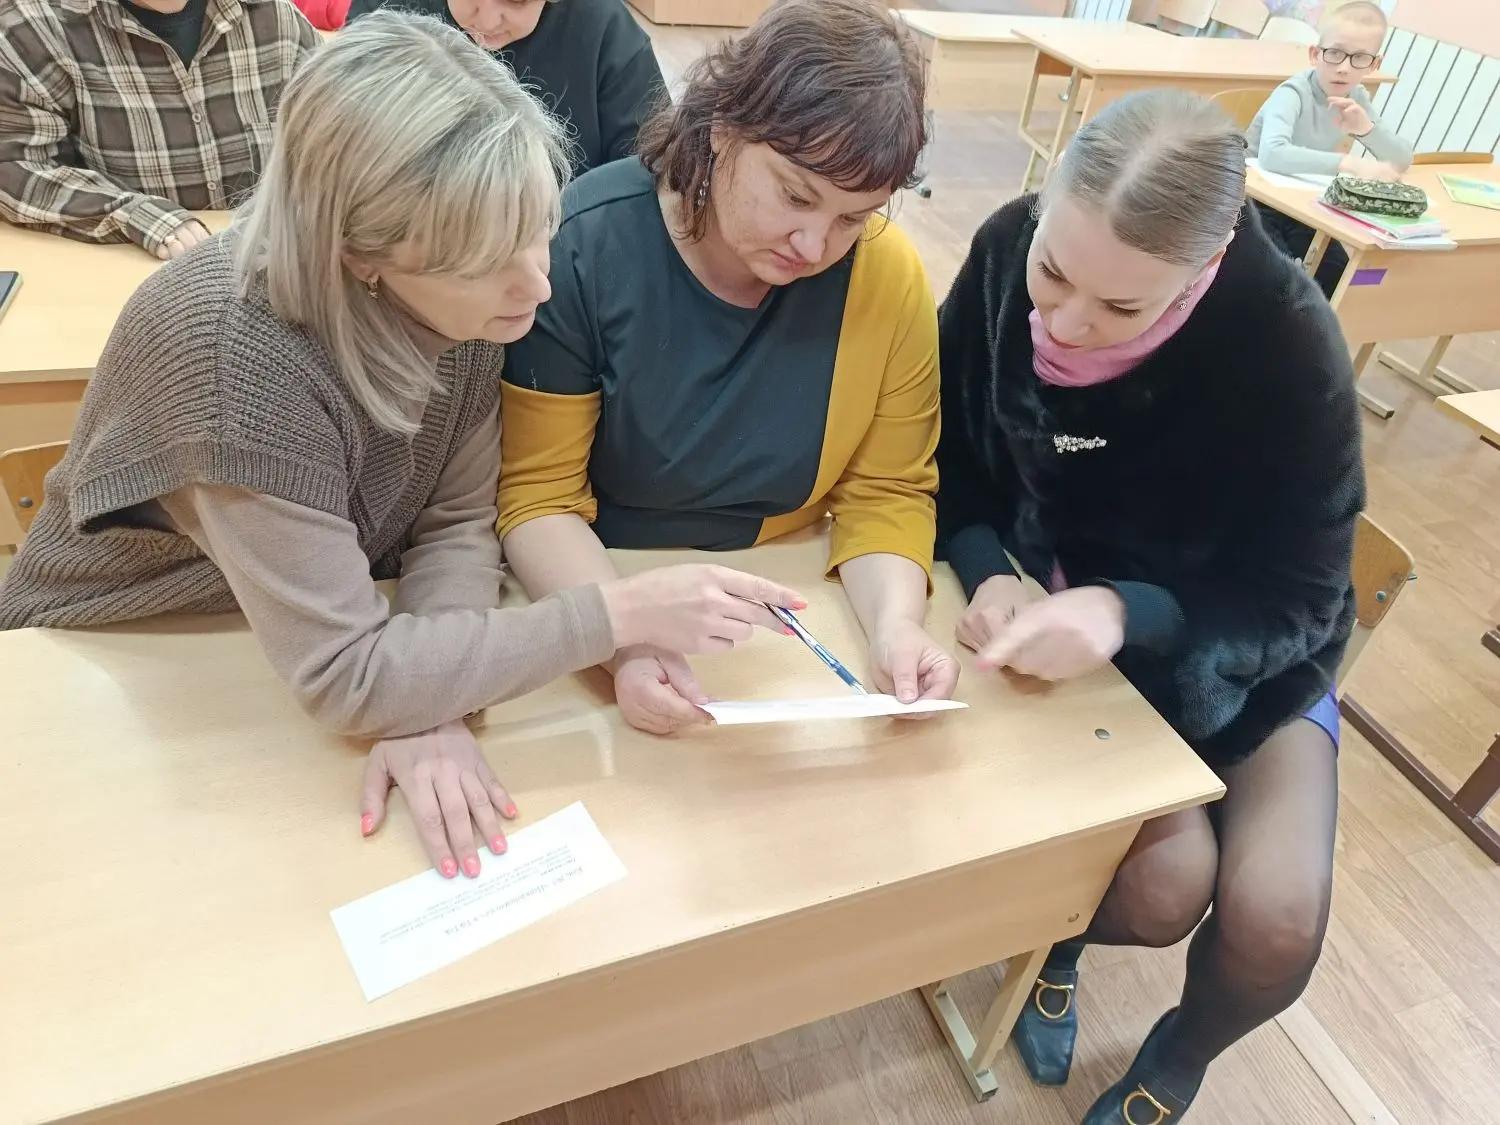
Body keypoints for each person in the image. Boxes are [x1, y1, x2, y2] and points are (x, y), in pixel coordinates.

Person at [0, 12, 805, 879]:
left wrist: (430, 692)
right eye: (490, 259)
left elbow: (452, 522)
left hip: (323, 623)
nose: (537, 283)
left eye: (538, 228)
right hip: (125, 654)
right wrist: (617, 615)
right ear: (361, 256)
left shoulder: (470, 301)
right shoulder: (235, 363)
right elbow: (344, 674)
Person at [936, 89, 1363, 1123]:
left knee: (1275, 919)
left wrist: (1128, 613)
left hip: (1245, 653)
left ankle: (1179, 1058)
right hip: (1054, 623)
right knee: (1158, 890)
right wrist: (989, 568)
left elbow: (1299, 597)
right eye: (1053, 270)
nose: (1064, 323)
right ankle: (1058, 946)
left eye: (1122, 308)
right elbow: (939, 458)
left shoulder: (1285, 343)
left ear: (1207, 262)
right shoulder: (1002, 252)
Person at [496, 0, 958, 736]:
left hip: (789, 603)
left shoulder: (886, 275)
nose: (814, 245)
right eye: (796, 195)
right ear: (720, 128)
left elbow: (886, 493)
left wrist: (895, 626)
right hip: (601, 584)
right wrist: (626, 645)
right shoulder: (585, 246)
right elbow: (537, 500)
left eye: (853, 217)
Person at [0, 0, 320, 260]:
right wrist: (136, 215)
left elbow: (336, 134)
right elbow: (15, 167)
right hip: (129, 272)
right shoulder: (32, 26)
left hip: (278, 261)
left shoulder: (274, 14)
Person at [345, 0, 664, 176]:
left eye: (516, 1)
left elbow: (647, 174)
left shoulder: (607, 36)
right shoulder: (385, 10)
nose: (486, 21)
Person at [1246, 0, 1413, 297]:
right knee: (1278, 278)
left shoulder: (1356, 98)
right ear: (1315, 54)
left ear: (1374, 64)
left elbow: (1401, 160)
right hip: (1254, 202)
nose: (1344, 68)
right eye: (1335, 53)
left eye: (1359, 58)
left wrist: (1367, 129)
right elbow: (1272, 154)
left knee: (1338, 275)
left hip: (1303, 206)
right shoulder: (1293, 92)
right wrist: (1346, 163)